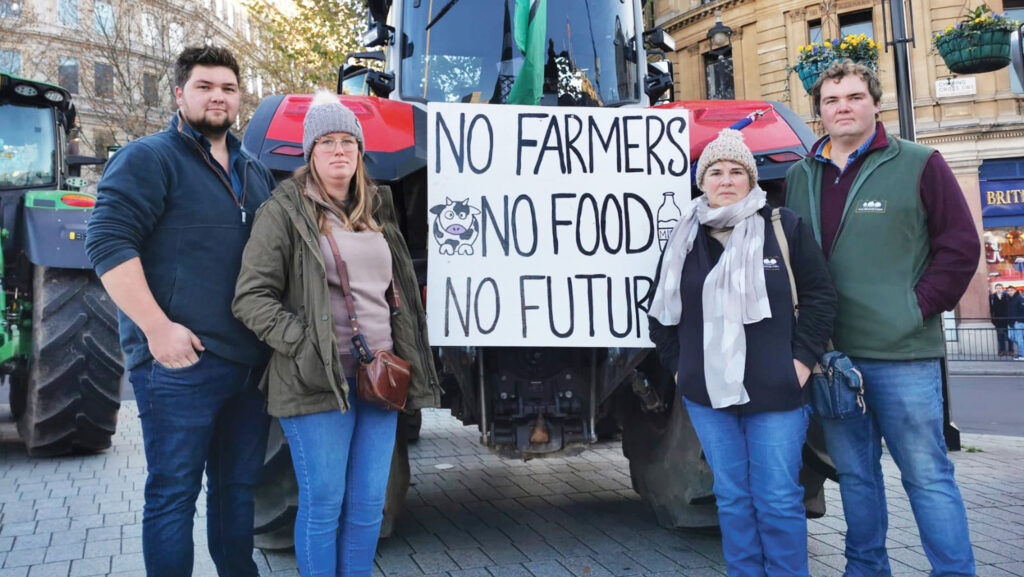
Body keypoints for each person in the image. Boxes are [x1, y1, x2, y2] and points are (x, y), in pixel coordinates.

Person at [85, 46, 276, 577]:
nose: (218, 96)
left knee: (237, 492)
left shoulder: (253, 171)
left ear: (240, 98)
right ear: (179, 94)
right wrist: (156, 328)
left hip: (248, 367)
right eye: (205, 86)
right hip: (180, 364)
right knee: (173, 494)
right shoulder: (149, 158)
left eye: (228, 88)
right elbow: (106, 242)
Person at [232, 91, 440, 577]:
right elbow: (250, 297)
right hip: (316, 381)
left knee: (369, 506)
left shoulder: (377, 213)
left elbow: (396, 295)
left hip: (379, 379)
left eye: (348, 141)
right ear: (310, 153)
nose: (339, 151)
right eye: (327, 142)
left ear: (361, 151)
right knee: (323, 505)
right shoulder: (285, 212)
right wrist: (303, 344)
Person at [786, 60, 981, 577]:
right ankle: (865, 570)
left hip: (903, 356)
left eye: (853, 97)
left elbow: (960, 248)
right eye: (831, 101)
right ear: (820, 112)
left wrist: (914, 309)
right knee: (855, 477)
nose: (843, 107)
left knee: (927, 475)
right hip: (831, 360)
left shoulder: (919, 162)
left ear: (876, 103)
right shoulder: (802, 173)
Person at [646, 128, 837, 577]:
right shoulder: (682, 240)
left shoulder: (783, 228)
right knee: (732, 498)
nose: (726, 179)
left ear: (752, 180)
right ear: (702, 181)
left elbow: (819, 298)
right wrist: (680, 371)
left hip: (778, 393)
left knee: (777, 498)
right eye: (716, 171)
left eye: (736, 171)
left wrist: (801, 364)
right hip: (708, 397)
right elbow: (661, 316)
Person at [990, 283, 1014, 357]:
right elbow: (991, 309)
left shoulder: (1007, 296)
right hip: (998, 320)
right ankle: (1002, 351)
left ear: (1002, 289)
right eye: (997, 288)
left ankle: (1011, 350)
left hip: (1007, 319)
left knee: (1009, 336)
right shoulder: (992, 297)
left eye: (1000, 288)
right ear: (995, 289)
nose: (998, 289)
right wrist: (993, 319)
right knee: (1000, 336)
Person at [1007, 286, 1024, 360]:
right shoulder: (1009, 299)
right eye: (1008, 291)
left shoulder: (1020, 298)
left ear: (1015, 291)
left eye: (1011, 290)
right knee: (1012, 337)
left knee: (1019, 339)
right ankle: (1022, 351)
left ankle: (1022, 355)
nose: (1010, 292)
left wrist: (1019, 319)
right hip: (1010, 322)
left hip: (1018, 322)